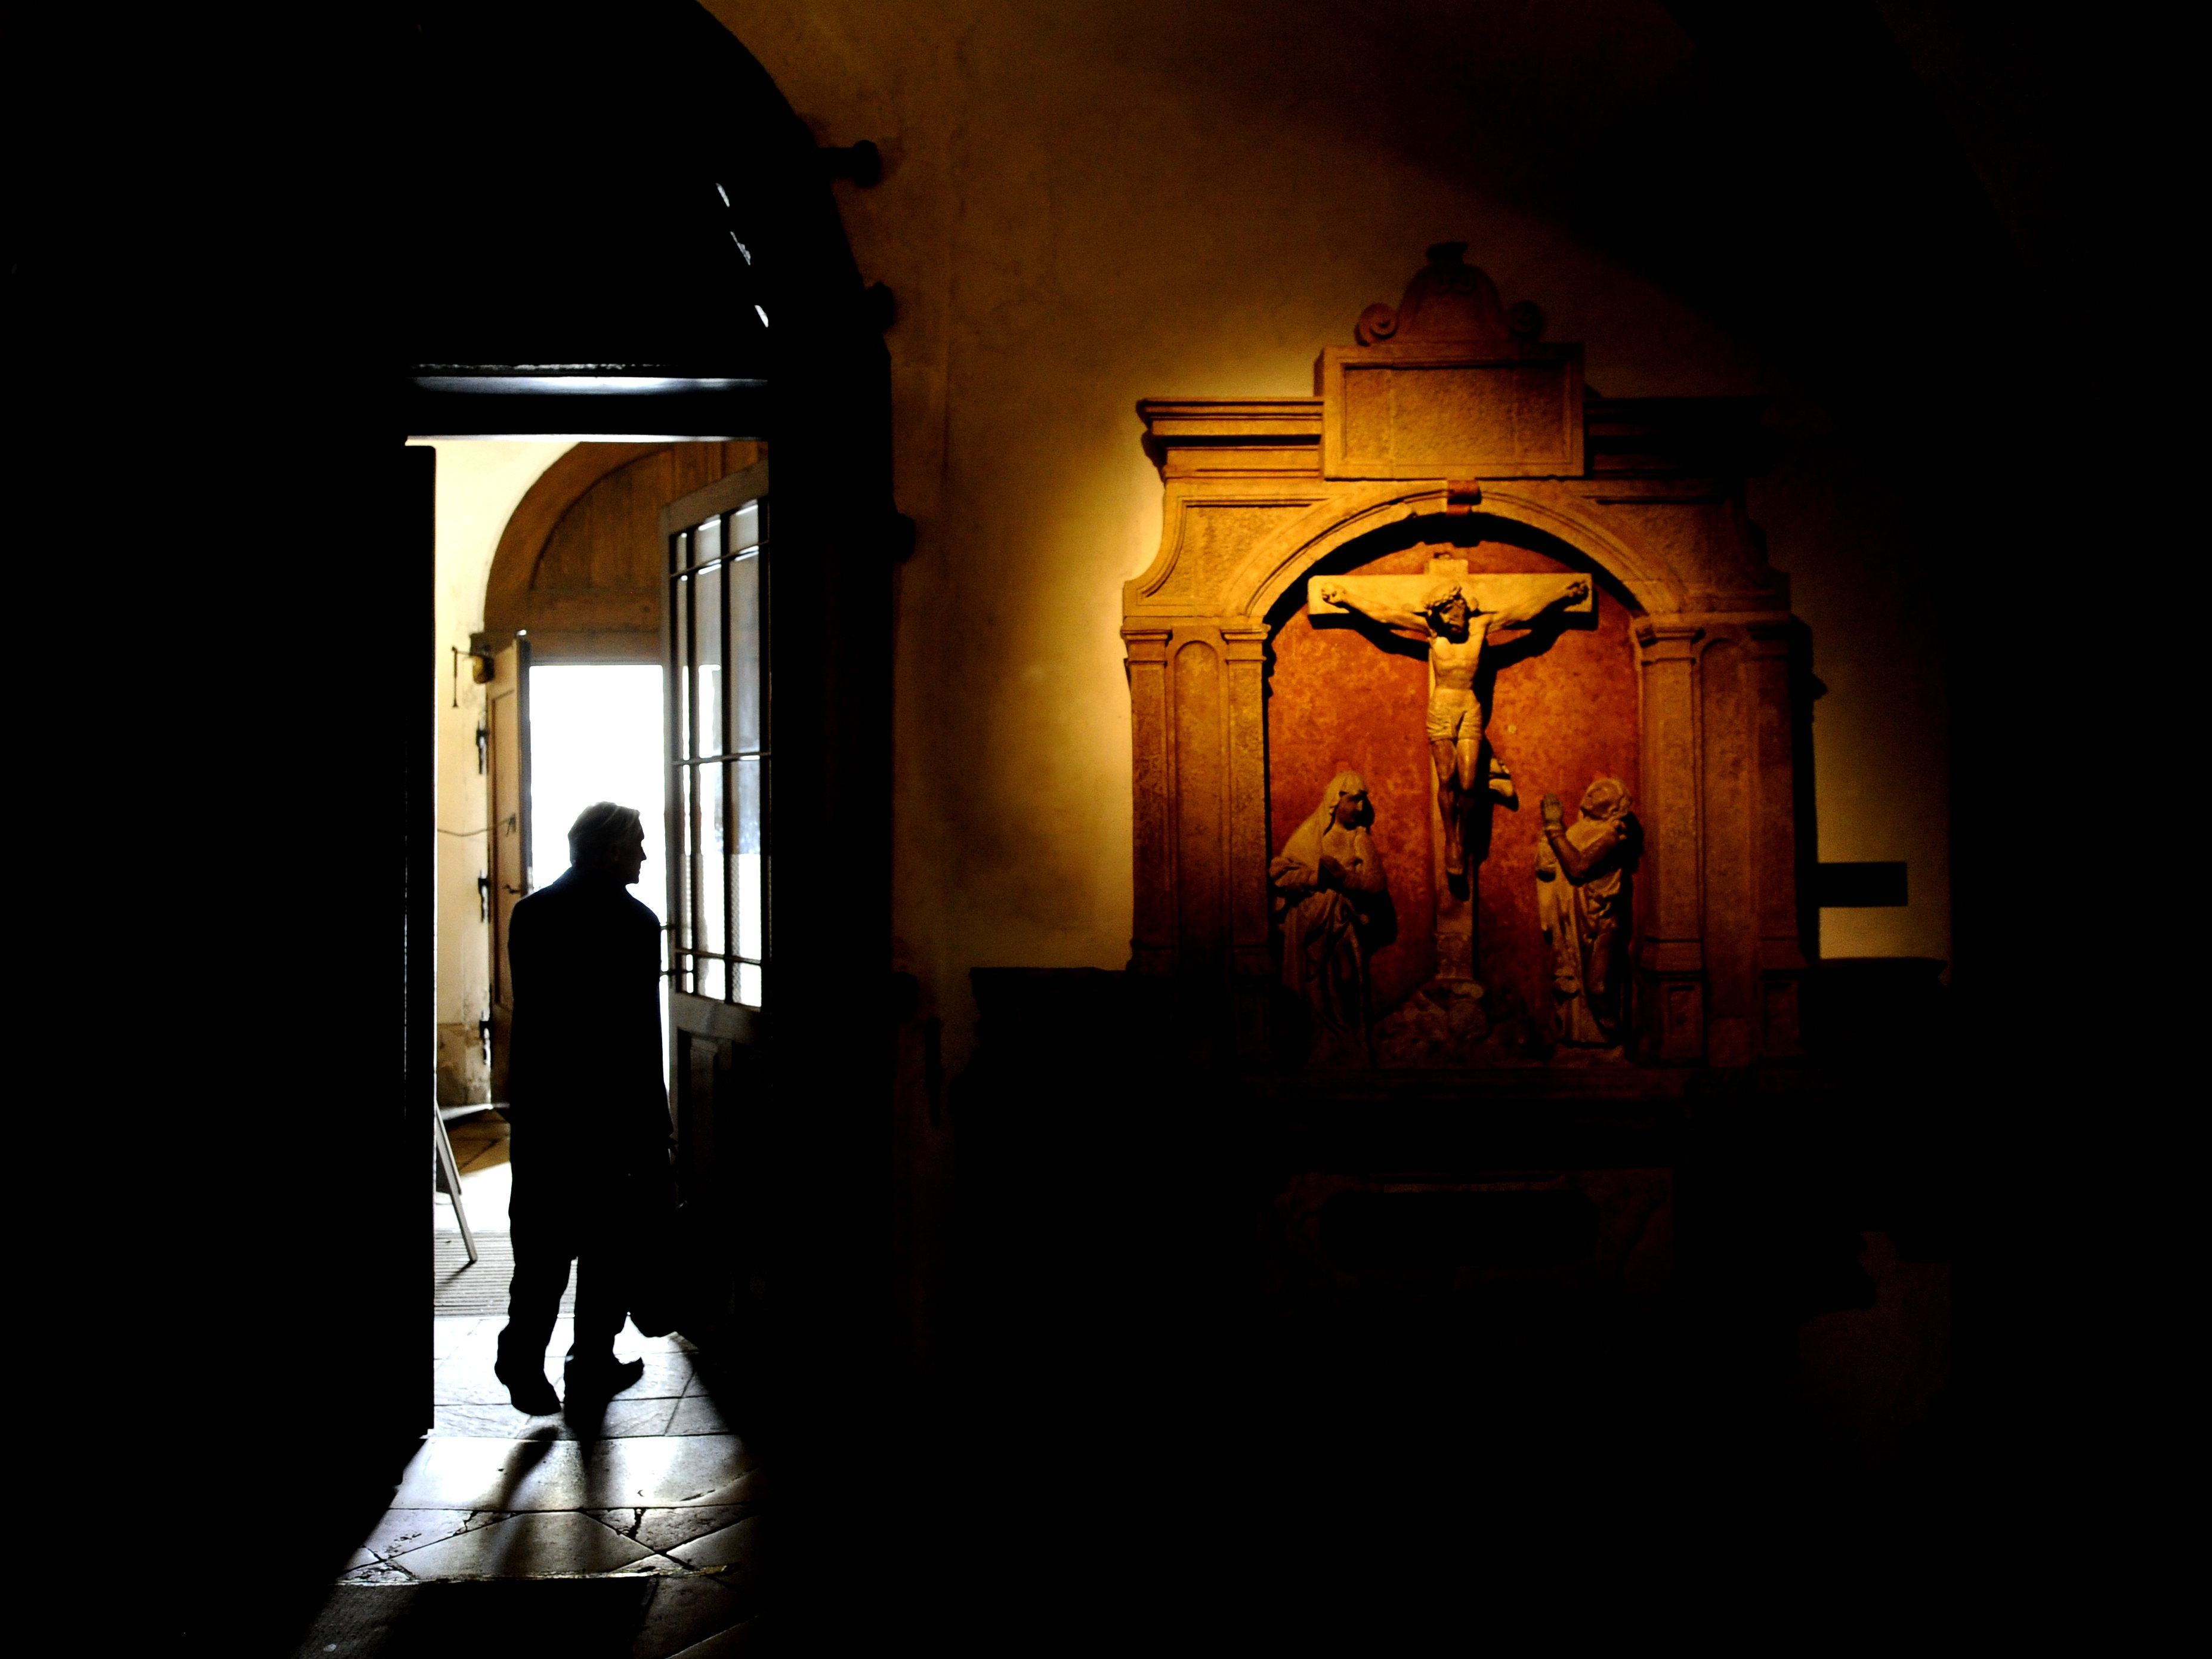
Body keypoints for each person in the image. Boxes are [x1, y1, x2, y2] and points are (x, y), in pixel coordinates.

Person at [493, 801, 672, 1415]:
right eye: (639, 844)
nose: (646, 855)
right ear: (612, 851)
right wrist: (657, 1124)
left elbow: (541, 1021)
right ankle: (590, 1363)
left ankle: (522, 1356)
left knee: (542, 1245)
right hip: (614, 1115)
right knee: (609, 1247)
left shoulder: (531, 914)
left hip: (548, 1111)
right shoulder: (636, 924)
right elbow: (638, 1035)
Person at [1317, 574, 1589, 876]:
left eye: (1450, 612)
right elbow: (1385, 615)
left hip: (1469, 707)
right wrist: (1345, 599)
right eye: (1441, 615)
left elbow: (1524, 613)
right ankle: (1452, 841)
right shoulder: (1433, 631)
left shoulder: (1482, 626)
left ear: (1460, 606)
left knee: (1470, 784)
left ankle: (1464, 835)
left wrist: (1563, 596)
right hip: (1441, 708)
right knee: (1447, 777)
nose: (1447, 620)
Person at [1269, 771, 1389, 1064]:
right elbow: (1281, 874)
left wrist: (1346, 879)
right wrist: (1315, 878)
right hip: (1310, 925)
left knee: (1347, 980)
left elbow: (1376, 884)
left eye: (1363, 802)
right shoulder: (1310, 835)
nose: (1360, 809)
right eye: (1355, 801)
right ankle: (1318, 1044)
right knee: (1312, 984)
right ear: (1335, 802)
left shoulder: (1360, 840)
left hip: (1345, 925)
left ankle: (1350, 1041)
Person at [1536, 778, 1636, 1046]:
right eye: (1591, 789)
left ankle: (1615, 1038)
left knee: (1598, 987)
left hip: (1600, 922)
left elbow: (1578, 867)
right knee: (1571, 987)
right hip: (1571, 920)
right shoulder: (1579, 831)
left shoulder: (1611, 837)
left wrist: (1554, 828)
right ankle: (1583, 1039)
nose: (1591, 792)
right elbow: (1551, 868)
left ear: (1615, 810)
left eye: (1602, 792)